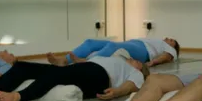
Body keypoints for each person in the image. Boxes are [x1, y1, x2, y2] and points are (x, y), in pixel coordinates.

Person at [0, 56, 147, 101]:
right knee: (22, 66)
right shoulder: (111, 57)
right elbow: (78, 63)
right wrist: (64, 60)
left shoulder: (135, 71)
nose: (136, 60)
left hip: (99, 77)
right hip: (86, 68)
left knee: (59, 75)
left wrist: (116, 91)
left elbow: (131, 85)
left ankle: (17, 97)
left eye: (140, 62)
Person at [47, 37, 180, 67]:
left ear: (173, 47)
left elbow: (167, 57)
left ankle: (87, 63)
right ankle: (64, 60)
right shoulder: (157, 40)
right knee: (90, 43)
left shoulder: (169, 49)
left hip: (143, 51)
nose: (168, 39)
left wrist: (152, 62)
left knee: (112, 46)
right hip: (134, 43)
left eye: (172, 41)